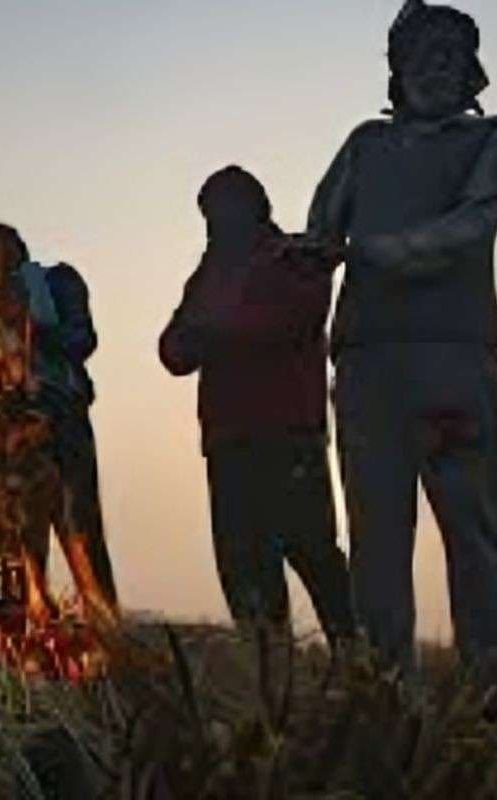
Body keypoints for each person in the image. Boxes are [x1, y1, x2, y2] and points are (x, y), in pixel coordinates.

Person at [304, 0, 497, 673]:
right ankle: (387, 699)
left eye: (451, 52)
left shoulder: (489, 141)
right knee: (377, 538)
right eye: (423, 52)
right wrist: (307, 252)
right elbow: (323, 227)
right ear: (398, 67)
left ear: (472, 68)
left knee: (473, 534)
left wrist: (386, 250)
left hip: (454, 363)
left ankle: (485, 701)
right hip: (367, 365)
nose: (437, 65)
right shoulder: (366, 145)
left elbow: (474, 224)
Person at [159, 166, 354, 645]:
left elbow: (296, 321)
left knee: (313, 552)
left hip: (289, 433)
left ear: (256, 206)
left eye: (227, 208)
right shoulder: (208, 273)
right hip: (228, 439)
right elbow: (173, 350)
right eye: (211, 212)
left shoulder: (294, 257)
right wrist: (214, 330)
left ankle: (359, 661)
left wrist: (215, 330)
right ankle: (272, 676)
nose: (218, 221)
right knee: (243, 563)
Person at [0, 221, 117, 624]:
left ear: (9, 245)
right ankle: (31, 627)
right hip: (11, 427)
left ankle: (105, 633)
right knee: (15, 536)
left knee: (78, 527)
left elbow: (83, 339)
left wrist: (30, 327)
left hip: (58, 415)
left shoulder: (57, 280)